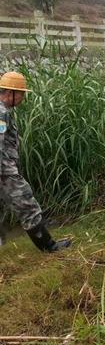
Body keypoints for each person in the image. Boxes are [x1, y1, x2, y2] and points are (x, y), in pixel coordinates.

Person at [0, 71, 71, 252]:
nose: (23, 98)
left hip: (6, 170)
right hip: (4, 173)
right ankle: (50, 247)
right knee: (27, 205)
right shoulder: (2, 113)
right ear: (11, 93)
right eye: (21, 94)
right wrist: (10, 174)